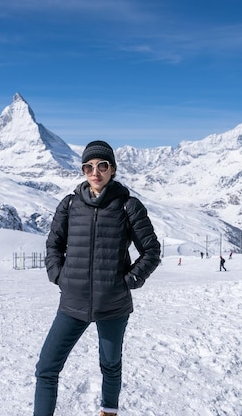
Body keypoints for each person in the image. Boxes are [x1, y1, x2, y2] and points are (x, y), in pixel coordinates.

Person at [34, 140, 161, 416]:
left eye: (102, 165)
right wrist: (59, 276)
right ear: (83, 170)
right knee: (46, 368)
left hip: (113, 305)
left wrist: (127, 282)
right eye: (88, 166)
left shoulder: (128, 206)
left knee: (110, 364)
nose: (95, 172)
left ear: (112, 169)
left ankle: (109, 411)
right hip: (73, 303)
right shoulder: (69, 205)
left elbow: (151, 251)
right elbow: (53, 245)